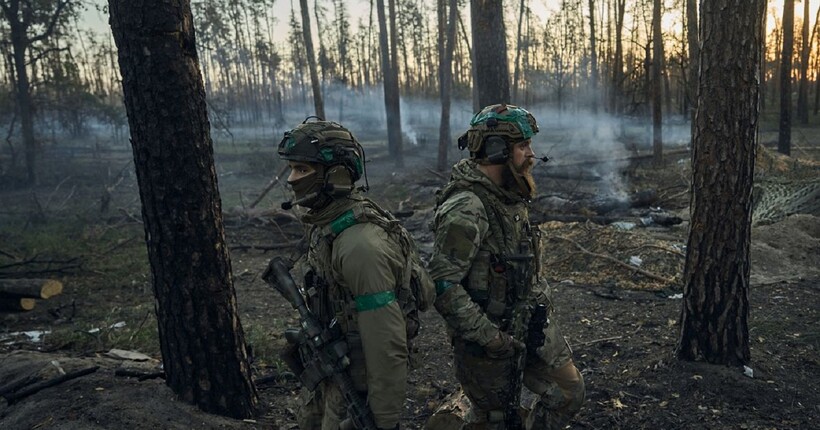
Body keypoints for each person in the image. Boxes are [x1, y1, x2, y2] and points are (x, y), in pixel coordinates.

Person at [427, 104, 585, 429]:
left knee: (569, 391)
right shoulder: (467, 207)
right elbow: (443, 286)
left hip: (530, 328)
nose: (531, 154)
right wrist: (490, 337)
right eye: (523, 146)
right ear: (498, 150)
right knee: (495, 420)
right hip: (489, 345)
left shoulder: (506, 195)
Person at [276, 117, 433, 430]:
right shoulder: (329, 225)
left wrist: (384, 421)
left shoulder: (360, 244)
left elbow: (386, 343)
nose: (292, 180)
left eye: (303, 170)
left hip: (355, 385)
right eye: (292, 168)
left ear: (335, 175)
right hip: (331, 376)